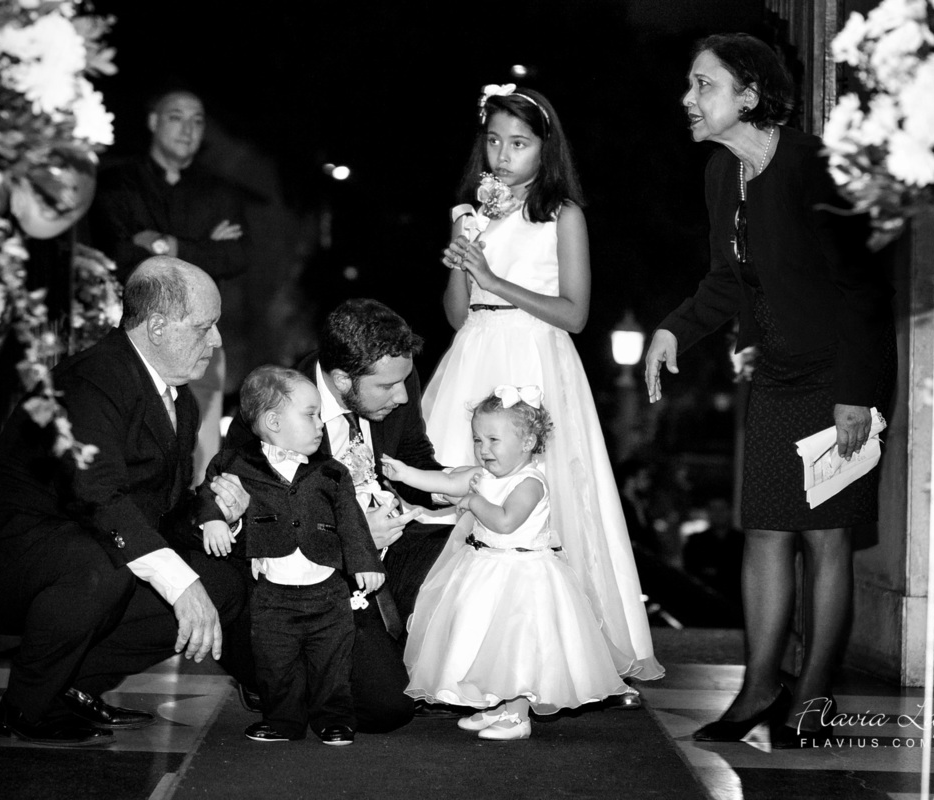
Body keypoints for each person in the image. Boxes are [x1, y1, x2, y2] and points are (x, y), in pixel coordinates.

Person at [644, 33, 894, 748]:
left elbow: (864, 288)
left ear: (749, 94)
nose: (688, 100)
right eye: (691, 86)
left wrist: (857, 393)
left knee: (826, 539)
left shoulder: (815, 168)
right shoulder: (723, 175)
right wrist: (674, 331)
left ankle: (811, 700)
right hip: (779, 376)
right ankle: (759, 686)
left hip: (840, 376)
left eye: (703, 86)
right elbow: (727, 277)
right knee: (763, 531)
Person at [423, 84, 664, 696]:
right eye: (496, 141)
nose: (504, 155)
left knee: (550, 502)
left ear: (544, 149)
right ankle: (456, 653)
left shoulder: (562, 215)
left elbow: (576, 313)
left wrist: (494, 277)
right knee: (454, 487)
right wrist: (463, 267)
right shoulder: (467, 210)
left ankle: (554, 653)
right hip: (475, 351)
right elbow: (457, 313)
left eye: (520, 144)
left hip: (535, 354)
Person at [0, 256, 253, 746]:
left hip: (95, 547)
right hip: (19, 556)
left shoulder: (179, 398)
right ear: (157, 326)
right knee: (109, 563)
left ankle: (72, 686)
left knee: (221, 582)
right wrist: (179, 583)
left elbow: (165, 509)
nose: (216, 341)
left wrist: (217, 515)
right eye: (205, 326)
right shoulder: (91, 381)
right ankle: (26, 707)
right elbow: (98, 496)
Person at [222, 298, 452, 733]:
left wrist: (460, 489)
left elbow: (412, 455)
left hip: (393, 546)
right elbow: (261, 529)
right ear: (343, 378)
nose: (401, 395)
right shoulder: (270, 411)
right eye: (387, 387)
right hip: (314, 582)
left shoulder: (395, 372)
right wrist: (357, 536)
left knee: (480, 554)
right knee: (386, 710)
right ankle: (275, 671)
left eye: (404, 382)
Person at [382, 387, 629, 740]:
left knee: (516, 643)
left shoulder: (530, 483)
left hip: (523, 575)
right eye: (478, 440)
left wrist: (472, 502)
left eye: (494, 440)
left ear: (527, 441)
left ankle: (517, 716)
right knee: (483, 639)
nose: (483, 450)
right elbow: (445, 480)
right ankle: (495, 705)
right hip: (484, 567)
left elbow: (505, 521)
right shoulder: (483, 476)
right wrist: (405, 473)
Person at [195, 366, 383, 746]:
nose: (319, 424)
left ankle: (335, 719)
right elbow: (208, 493)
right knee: (274, 662)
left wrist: (365, 562)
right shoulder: (234, 463)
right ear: (274, 421)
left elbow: (351, 519)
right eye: (310, 414)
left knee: (332, 660)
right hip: (272, 594)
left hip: (327, 590)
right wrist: (214, 522)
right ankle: (282, 720)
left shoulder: (331, 471)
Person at [88, 88, 249, 480]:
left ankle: (201, 521)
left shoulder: (220, 191)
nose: (188, 128)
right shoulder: (116, 182)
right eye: (176, 117)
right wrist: (203, 247)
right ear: (153, 121)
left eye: (197, 120)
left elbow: (236, 256)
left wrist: (163, 244)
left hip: (202, 334)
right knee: (127, 431)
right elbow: (119, 255)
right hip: (130, 332)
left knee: (202, 444)